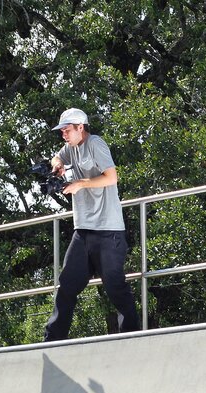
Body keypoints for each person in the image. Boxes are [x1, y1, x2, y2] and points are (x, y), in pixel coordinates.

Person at [43, 108, 140, 341]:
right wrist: (57, 165)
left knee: (114, 285)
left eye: (67, 130)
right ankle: (52, 340)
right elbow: (57, 157)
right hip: (83, 231)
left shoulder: (96, 144)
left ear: (80, 127)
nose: (63, 134)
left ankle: (132, 337)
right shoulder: (70, 148)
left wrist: (80, 184)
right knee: (67, 284)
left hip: (109, 231)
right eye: (62, 131)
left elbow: (111, 177)